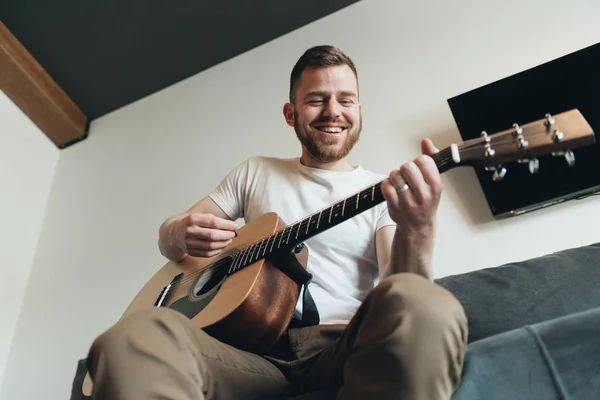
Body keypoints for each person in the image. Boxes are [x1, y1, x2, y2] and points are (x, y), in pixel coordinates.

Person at [86, 45, 468, 400]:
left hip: (340, 348)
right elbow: (172, 240)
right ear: (291, 114)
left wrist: (419, 230)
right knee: (131, 337)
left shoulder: (383, 191)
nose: (333, 110)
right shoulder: (255, 172)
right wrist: (177, 231)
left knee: (426, 303)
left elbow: (398, 288)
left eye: (345, 100)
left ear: (359, 112)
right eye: (317, 99)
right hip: (244, 354)